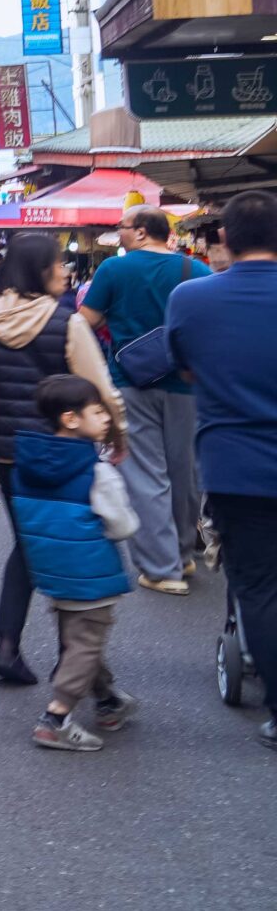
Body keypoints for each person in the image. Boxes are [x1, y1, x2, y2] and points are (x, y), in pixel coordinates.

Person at [0, 231, 123, 690]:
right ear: (39, 270)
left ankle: (8, 646)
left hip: (11, 454)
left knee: (29, 544)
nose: (65, 271)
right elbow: (100, 385)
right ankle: (72, 661)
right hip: (65, 451)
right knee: (69, 546)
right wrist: (119, 434)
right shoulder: (67, 322)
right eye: (58, 264)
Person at [164, 187, 277, 750]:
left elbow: (183, 370)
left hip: (236, 466)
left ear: (224, 239)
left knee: (255, 583)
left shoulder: (191, 299)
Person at [80, 208, 208, 596]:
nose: (116, 234)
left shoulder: (114, 271)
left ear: (138, 232)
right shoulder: (196, 271)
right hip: (187, 382)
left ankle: (162, 567)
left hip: (131, 380)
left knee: (145, 474)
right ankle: (184, 553)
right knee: (184, 470)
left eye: (120, 227)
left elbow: (84, 320)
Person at [9, 374, 138, 750]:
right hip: (90, 571)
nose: (106, 420)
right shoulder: (97, 471)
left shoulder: (26, 465)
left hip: (52, 569)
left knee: (79, 638)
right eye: (98, 412)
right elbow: (123, 525)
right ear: (71, 418)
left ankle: (107, 701)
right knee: (85, 643)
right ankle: (57, 717)